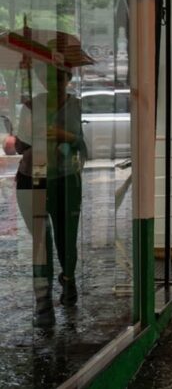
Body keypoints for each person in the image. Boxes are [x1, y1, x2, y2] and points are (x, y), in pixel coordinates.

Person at [15, 64, 85, 327]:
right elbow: (20, 146)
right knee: (41, 241)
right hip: (34, 176)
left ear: (68, 79)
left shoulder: (76, 106)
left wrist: (64, 135)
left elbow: (83, 145)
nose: (53, 83)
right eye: (48, 78)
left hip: (66, 179)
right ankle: (43, 304)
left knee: (67, 239)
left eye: (59, 78)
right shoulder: (31, 106)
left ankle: (68, 280)